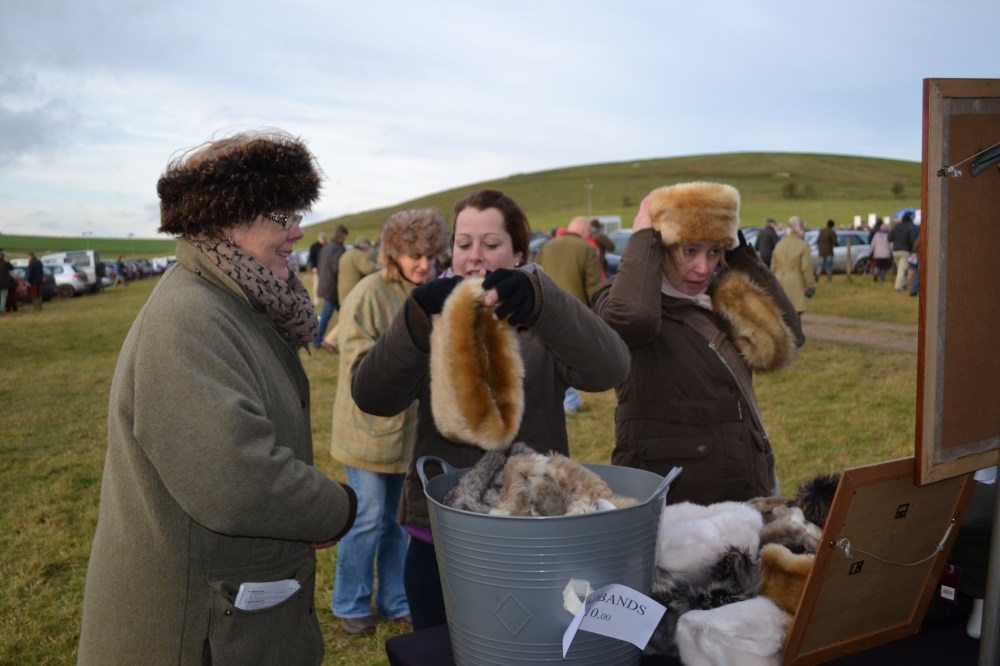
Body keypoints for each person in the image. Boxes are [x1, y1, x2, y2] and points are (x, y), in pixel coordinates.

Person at [78, 130, 358, 665]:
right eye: (282, 214)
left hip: (225, 619)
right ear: (227, 218)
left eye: (297, 212)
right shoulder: (190, 318)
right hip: (192, 634)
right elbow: (236, 479)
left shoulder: (238, 302)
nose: (298, 230)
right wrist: (337, 510)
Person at [351, 188, 630, 630]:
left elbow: (610, 368)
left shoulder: (542, 321)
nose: (474, 257)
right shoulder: (432, 315)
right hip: (441, 535)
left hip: (532, 530)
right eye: (463, 244)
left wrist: (543, 302)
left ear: (519, 252)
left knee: (523, 649)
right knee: (438, 650)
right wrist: (415, 320)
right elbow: (373, 397)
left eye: (491, 244)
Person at [592, 182, 804, 506]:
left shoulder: (721, 299)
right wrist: (643, 236)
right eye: (690, 251)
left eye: (714, 251)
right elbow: (634, 321)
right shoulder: (616, 298)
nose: (703, 268)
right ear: (662, 245)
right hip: (676, 506)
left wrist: (737, 248)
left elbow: (787, 333)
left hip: (743, 491)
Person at [329, 209, 450, 635]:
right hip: (367, 431)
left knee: (400, 523)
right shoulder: (368, 293)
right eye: (415, 255)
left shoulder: (433, 291)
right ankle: (350, 602)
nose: (424, 264)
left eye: (430, 256)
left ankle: (394, 599)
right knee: (366, 519)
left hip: (411, 434)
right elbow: (359, 366)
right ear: (393, 252)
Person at [535, 215, 602, 413]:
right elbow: (593, 287)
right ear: (584, 231)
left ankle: (554, 402)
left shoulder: (547, 247)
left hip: (546, 313)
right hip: (574, 314)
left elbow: (535, 276)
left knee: (550, 360)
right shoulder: (587, 249)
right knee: (569, 360)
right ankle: (570, 403)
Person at [319, 235, 378, 354]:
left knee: (349, 318)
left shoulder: (347, 253)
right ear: (365, 246)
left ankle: (334, 341)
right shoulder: (358, 254)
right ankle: (331, 341)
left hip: (343, 292)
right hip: (353, 292)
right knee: (350, 319)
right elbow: (368, 269)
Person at [771, 216, 816, 314]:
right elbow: (806, 268)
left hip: (778, 283)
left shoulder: (779, 244)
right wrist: (811, 285)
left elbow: (773, 268)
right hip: (795, 284)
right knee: (794, 316)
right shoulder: (803, 246)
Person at [314, 224, 348, 348]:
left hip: (325, 283)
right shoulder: (339, 249)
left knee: (345, 313)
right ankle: (317, 340)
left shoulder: (326, 247)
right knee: (327, 315)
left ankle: (347, 336)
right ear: (342, 236)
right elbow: (337, 268)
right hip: (334, 287)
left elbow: (320, 264)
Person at [889, 211, 918, 292]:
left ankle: (903, 285)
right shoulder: (910, 227)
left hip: (895, 251)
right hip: (905, 251)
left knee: (900, 269)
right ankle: (898, 287)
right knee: (901, 270)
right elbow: (912, 239)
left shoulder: (896, 226)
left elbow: (889, 238)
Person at [308, 231, 327, 306]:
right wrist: (313, 267)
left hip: (325, 269)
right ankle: (316, 299)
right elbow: (311, 258)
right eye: (322, 238)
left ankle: (325, 299)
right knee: (316, 284)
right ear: (319, 238)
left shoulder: (326, 246)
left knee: (325, 285)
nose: (323, 240)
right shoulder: (314, 247)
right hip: (317, 269)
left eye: (324, 238)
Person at [0, 250, 15, 314]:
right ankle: (1, 310)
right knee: (3, 297)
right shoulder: (5, 263)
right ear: (4, 256)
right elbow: (12, 268)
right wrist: (7, 261)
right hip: (4, 283)